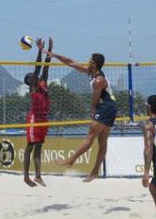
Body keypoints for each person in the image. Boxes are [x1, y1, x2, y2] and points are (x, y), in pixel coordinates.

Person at [44, 50, 117, 182]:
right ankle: (94, 172)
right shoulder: (91, 72)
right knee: (102, 142)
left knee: (90, 136)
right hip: (110, 107)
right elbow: (71, 62)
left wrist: (93, 113)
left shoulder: (99, 80)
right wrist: (55, 55)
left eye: (90, 60)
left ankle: (70, 160)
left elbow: (94, 101)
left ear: (94, 64)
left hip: (106, 107)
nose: (87, 61)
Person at [23, 38, 53, 187]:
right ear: (29, 82)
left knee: (39, 147)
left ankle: (38, 176)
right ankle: (26, 177)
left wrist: (49, 49)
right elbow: (37, 68)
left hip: (44, 119)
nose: (32, 75)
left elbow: (45, 67)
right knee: (30, 146)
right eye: (30, 76)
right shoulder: (33, 87)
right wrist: (39, 50)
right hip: (34, 118)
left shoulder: (43, 83)